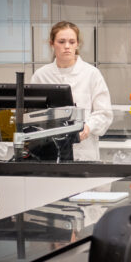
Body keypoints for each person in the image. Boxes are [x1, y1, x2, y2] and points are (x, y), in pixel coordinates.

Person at [31, 21, 113, 161]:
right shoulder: (41, 75)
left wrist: (88, 127)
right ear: (52, 44)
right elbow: (31, 114)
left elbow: (104, 113)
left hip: (84, 151)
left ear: (77, 44)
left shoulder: (91, 74)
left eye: (71, 41)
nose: (67, 46)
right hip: (48, 149)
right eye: (61, 41)